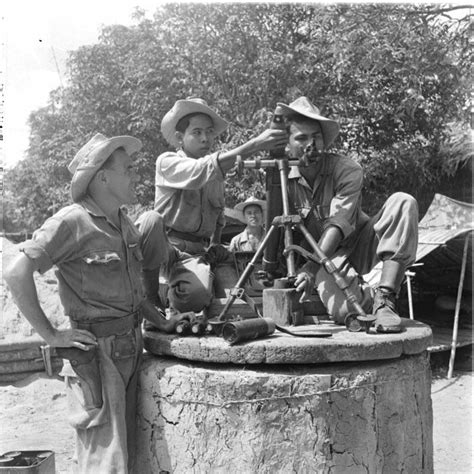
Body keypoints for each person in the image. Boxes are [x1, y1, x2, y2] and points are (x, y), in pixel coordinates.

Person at [3, 133, 184, 473]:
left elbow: (132, 290)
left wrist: (159, 322)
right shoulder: (72, 222)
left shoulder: (124, 222)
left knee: (127, 456)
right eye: (127, 169)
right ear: (103, 176)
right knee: (105, 462)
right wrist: (52, 335)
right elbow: (16, 272)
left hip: (131, 345)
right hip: (96, 355)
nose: (135, 175)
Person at [277, 97, 419, 333]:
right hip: (323, 255)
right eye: (301, 138)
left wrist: (311, 269)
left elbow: (338, 224)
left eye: (317, 136)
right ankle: (369, 299)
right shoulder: (280, 179)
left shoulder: (346, 169)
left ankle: (385, 299)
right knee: (345, 312)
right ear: (287, 144)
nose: (311, 144)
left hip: (360, 242)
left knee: (403, 202)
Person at [137, 97, 287, 315]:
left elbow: (217, 215)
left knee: (196, 297)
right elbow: (200, 171)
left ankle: (187, 292)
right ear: (180, 138)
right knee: (151, 220)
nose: (205, 138)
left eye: (208, 132)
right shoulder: (167, 161)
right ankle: (151, 298)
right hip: (166, 248)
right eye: (196, 132)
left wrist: (214, 248)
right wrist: (257, 144)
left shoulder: (216, 175)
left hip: (195, 253)